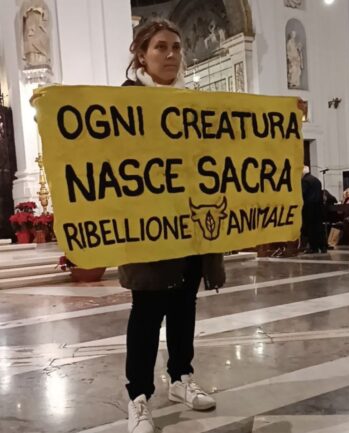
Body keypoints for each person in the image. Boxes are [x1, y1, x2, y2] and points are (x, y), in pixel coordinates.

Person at [120, 19, 223, 433]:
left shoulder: (192, 101)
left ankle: (181, 378)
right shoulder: (120, 102)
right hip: (148, 226)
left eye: (177, 48)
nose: (171, 55)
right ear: (141, 54)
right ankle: (138, 396)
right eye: (161, 47)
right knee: (146, 311)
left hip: (192, 222)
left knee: (185, 306)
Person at [301, 166, 327, 253]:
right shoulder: (317, 180)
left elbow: (303, 193)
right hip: (319, 206)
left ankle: (313, 247)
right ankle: (323, 247)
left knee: (310, 228)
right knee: (319, 227)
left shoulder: (305, 180)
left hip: (309, 207)